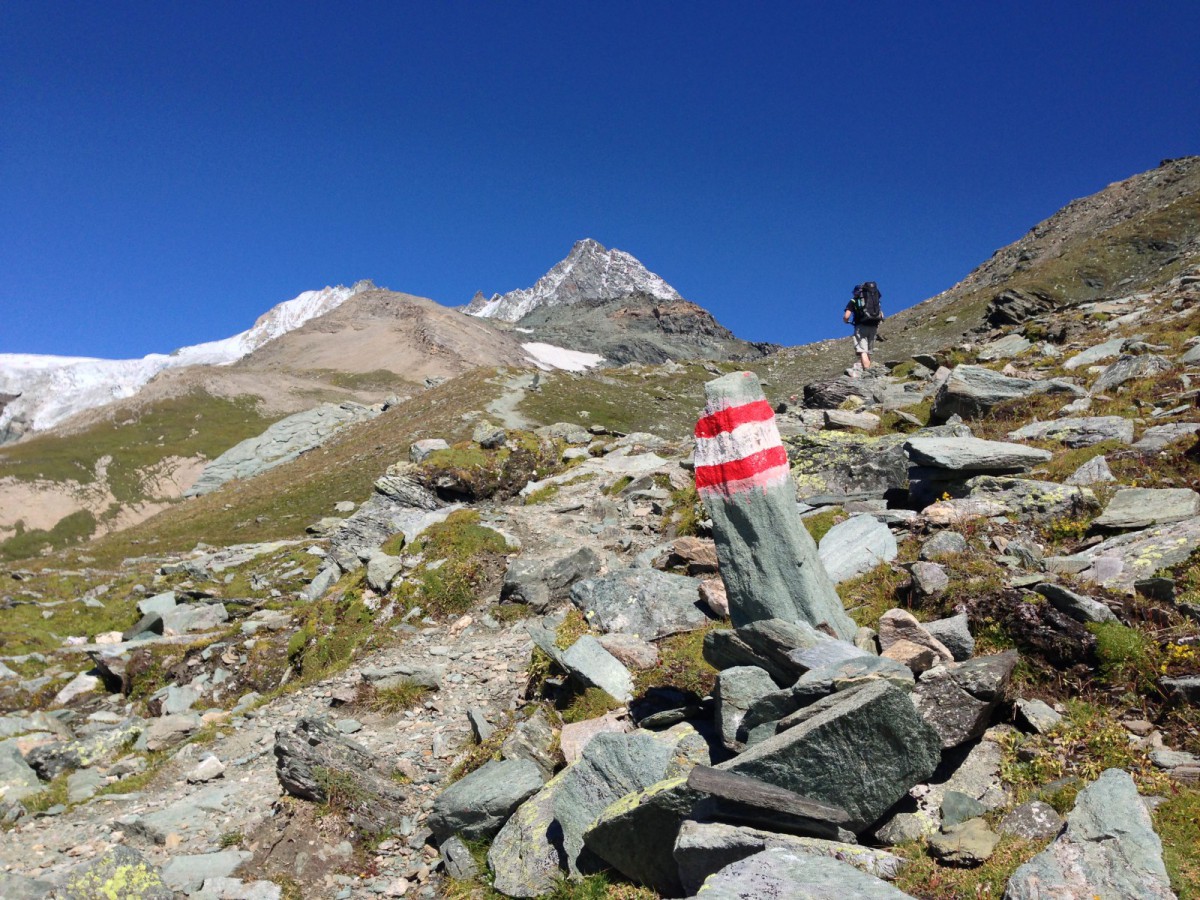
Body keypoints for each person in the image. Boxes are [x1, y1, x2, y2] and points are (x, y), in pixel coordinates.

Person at [843, 281, 883, 372]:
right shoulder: (875, 300)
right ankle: (869, 370)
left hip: (861, 326)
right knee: (868, 351)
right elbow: (881, 314)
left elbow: (846, 316)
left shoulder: (854, 301)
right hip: (873, 325)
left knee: (862, 350)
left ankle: (867, 371)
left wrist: (846, 321)